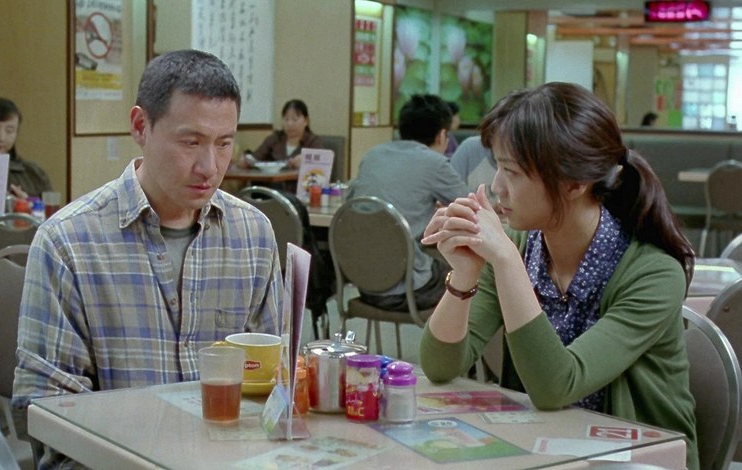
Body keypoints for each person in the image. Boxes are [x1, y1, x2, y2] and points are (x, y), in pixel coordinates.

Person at [12, 50, 282, 467]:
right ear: (141, 126)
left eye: (224, 143)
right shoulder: (68, 243)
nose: (209, 167)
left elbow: (277, 385)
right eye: (191, 142)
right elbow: (48, 415)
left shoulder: (253, 235)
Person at [419, 82, 699, 470]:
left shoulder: (653, 273)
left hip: (637, 461)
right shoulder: (519, 246)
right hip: (541, 451)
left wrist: (507, 261)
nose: (496, 187)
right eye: (497, 166)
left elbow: (556, 385)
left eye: (511, 171)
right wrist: (465, 275)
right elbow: (439, 366)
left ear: (575, 183)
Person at [348, 94, 468, 311]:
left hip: (364, 284)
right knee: (472, 276)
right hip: (407, 290)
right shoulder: (434, 163)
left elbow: (351, 204)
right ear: (442, 135)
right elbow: (470, 208)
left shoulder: (373, 155)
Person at [249, 99, 323, 169]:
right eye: (286, 119)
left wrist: (306, 161)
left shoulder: (313, 141)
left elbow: (321, 163)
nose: (289, 124)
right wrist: (247, 160)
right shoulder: (275, 138)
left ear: (306, 121)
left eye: (295, 119)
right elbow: (255, 158)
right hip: (273, 178)